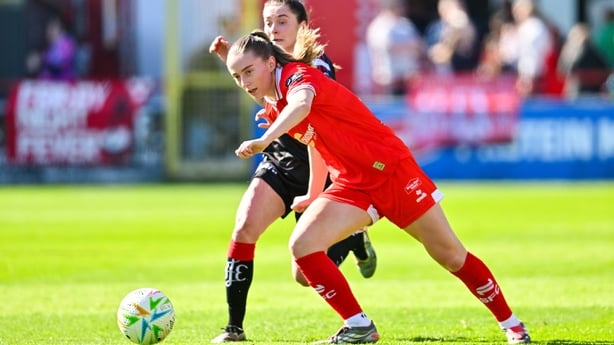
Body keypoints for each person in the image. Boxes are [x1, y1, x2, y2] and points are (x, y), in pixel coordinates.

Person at [227, 28, 531, 344]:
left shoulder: (296, 76)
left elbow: (302, 105)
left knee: (451, 255)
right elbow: (315, 142)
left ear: (272, 63)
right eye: (236, 76)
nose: (244, 82)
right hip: (351, 183)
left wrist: (265, 139)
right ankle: (359, 326)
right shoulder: (274, 104)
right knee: (303, 247)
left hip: (391, 173)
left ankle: (512, 325)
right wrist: (314, 193)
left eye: (249, 71)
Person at [208, 0, 377, 342]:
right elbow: (267, 93)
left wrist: (269, 135)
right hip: (282, 160)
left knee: (302, 274)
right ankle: (234, 329)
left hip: (323, 166)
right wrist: (232, 58)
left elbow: (309, 112)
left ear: (302, 23)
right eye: (268, 22)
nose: (273, 29)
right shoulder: (267, 59)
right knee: (244, 227)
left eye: (282, 21)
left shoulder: (315, 65)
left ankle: (353, 236)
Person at [365, 0, 423, 95]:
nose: (402, 9)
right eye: (399, 6)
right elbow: (388, 46)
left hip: (408, 78)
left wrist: (407, 46)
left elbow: (419, 45)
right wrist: (408, 45)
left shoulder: (405, 24)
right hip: (388, 79)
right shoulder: (380, 25)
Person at [26, 17, 77, 81]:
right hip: (50, 86)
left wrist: (40, 59)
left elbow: (58, 61)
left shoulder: (67, 43)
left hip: (64, 85)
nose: (49, 33)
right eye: (48, 30)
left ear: (60, 30)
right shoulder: (50, 46)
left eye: (52, 29)